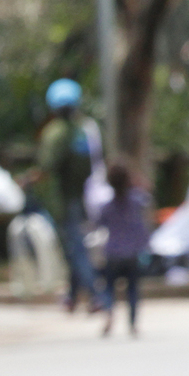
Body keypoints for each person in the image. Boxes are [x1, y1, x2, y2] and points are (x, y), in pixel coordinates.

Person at [32, 78, 101, 312]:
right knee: (75, 244)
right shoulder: (81, 131)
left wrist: (28, 180)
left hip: (63, 200)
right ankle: (72, 297)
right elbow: (91, 166)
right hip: (81, 197)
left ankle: (94, 295)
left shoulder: (55, 133)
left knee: (76, 248)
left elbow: (46, 167)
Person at [95, 162, 151, 337]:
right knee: (133, 288)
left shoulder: (107, 206)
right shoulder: (136, 201)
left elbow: (99, 223)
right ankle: (133, 324)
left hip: (113, 253)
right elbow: (147, 197)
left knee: (109, 287)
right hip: (133, 253)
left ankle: (109, 312)